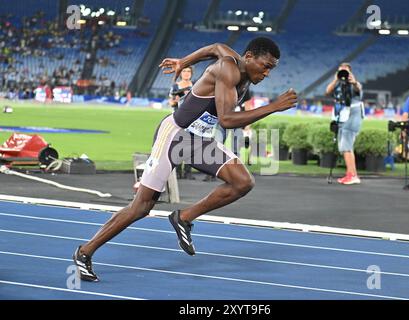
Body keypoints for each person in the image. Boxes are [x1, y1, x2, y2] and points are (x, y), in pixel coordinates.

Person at [72, 37, 298, 282]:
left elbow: (214, 47)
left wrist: (183, 61)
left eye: (271, 69)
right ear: (249, 57)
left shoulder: (236, 62)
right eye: (265, 66)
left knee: (242, 182)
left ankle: (184, 217)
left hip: (200, 140)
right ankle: (85, 252)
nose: (266, 73)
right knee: (142, 207)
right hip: (175, 137)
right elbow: (227, 120)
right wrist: (274, 106)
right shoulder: (228, 69)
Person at [325, 62, 364, 185]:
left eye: (345, 71)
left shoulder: (354, 84)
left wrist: (354, 81)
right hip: (341, 117)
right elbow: (327, 91)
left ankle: (353, 175)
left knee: (346, 146)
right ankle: (351, 174)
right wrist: (335, 79)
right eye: (340, 71)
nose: (343, 74)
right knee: (343, 146)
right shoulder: (337, 84)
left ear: (350, 73)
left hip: (353, 115)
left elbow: (359, 89)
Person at [168, 66, 195, 180]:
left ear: (191, 73)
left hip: (193, 119)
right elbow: (171, 103)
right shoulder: (175, 87)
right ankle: (178, 171)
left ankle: (188, 172)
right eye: (184, 71)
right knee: (178, 145)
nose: (186, 73)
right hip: (178, 118)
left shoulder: (196, 86)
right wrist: (176, 100)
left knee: (190, 146)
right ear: (180, 73)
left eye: (189, 71)